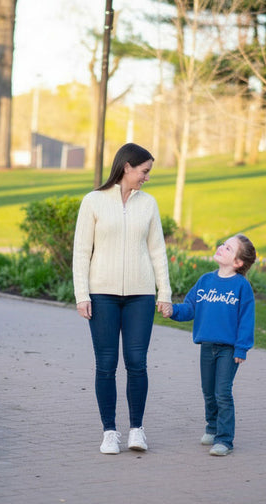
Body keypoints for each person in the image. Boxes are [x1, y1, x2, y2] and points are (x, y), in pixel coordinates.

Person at [73, 142, 173, 455]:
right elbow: (81, 252)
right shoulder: (93, 201)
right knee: (106, 364)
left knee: (137, 362)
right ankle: (109, 432)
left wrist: (164, 292)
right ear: (127, 166)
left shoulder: (149, 204)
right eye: (144, 171)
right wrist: (81, 294)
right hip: (101, 294)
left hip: (140, 296)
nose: (147, 177)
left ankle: (136, 430)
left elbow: (157, 251)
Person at [162, 233, 256, 456]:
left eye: (228, 248)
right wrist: (173, 310)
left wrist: (242, 348)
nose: (221, 247)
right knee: (208, 391)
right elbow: (190, 307)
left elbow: (246, 319)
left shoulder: (241, 286)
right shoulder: (205, 281)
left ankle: (224, 440)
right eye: (223, 244)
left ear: (238, 262)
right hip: (207, 346)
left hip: (229, 349)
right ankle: (212, 428)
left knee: (222, 392)